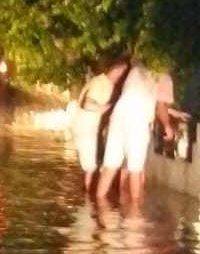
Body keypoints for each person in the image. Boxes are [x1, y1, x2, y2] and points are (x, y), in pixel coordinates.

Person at [96, 62, 175, 202]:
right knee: (135, 170)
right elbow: (161, 106)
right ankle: (134, 217)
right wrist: (167, 126)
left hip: (118, 116)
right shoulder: (164, 76)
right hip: (138, 120)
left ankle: (97, 210)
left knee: (109, 167)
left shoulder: (137, 68)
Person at [72, 56, 127, 194]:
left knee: (91, 166)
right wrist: (109, 106)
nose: (123, 77)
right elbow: (88, 104)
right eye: (123, 73)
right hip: (86, 129)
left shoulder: (99, 81)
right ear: (116, 70)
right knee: (90, 168)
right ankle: (87, 201)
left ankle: (87, 198)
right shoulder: (102, 84)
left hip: (84, 128)